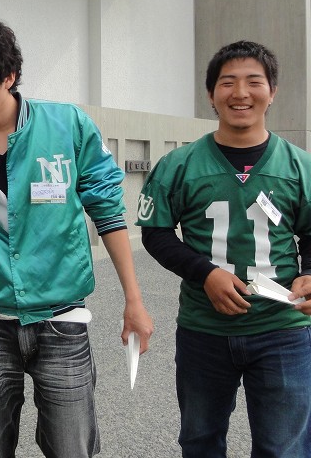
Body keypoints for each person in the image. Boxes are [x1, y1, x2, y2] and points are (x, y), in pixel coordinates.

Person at [0, 14, 153, 458]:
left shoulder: (67, 125)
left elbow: (108, 212)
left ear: (9, 76)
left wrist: (134, 300)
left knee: (71, 447)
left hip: (61, 320)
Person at [137, 40, 311, 458]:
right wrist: (206, 273)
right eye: (228, 82)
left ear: (272, 91)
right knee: (200, 442)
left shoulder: (299, 165)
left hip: (283, 329)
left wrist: (309, 272)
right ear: (211, 93)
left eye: (254, 82)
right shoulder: (179, 165)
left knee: (284, 448)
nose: (241, 93)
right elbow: (156, 232)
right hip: (204, 328)